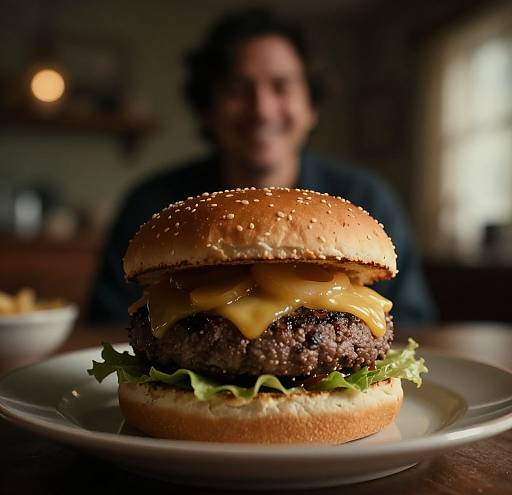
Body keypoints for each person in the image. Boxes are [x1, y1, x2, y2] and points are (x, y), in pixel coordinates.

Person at [88, 8, 436, 325]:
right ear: (208, 109)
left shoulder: (366, 200)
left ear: (311, 106)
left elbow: (415, 321)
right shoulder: (152, 205)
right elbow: (107, 320)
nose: (262, 109)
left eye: (282, 86)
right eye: (239, 89)